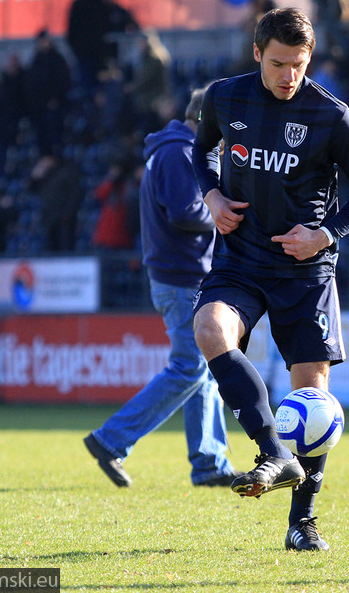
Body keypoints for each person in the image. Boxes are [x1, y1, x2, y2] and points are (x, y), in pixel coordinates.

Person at [189, 8, 349, 551]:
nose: (288, 75)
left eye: (298, 64)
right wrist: (212, 195)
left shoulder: (331, 115)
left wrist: (325, 234)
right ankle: (273, 451)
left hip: (305, 270)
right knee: (208, 329)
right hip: (242, 259)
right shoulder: (224, 98)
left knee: (313, 397)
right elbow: (201, 150)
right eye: (277, 63)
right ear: (257, 54)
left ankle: (303, 523)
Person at [83, 89, 237, 488]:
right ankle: (111, 440)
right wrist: (227, 212)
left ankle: (209, 464)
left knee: (205, 370)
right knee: (190, 368)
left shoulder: (173, 149)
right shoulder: (178, 153)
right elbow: (186, 213)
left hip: (183, 276)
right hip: (182, 277)